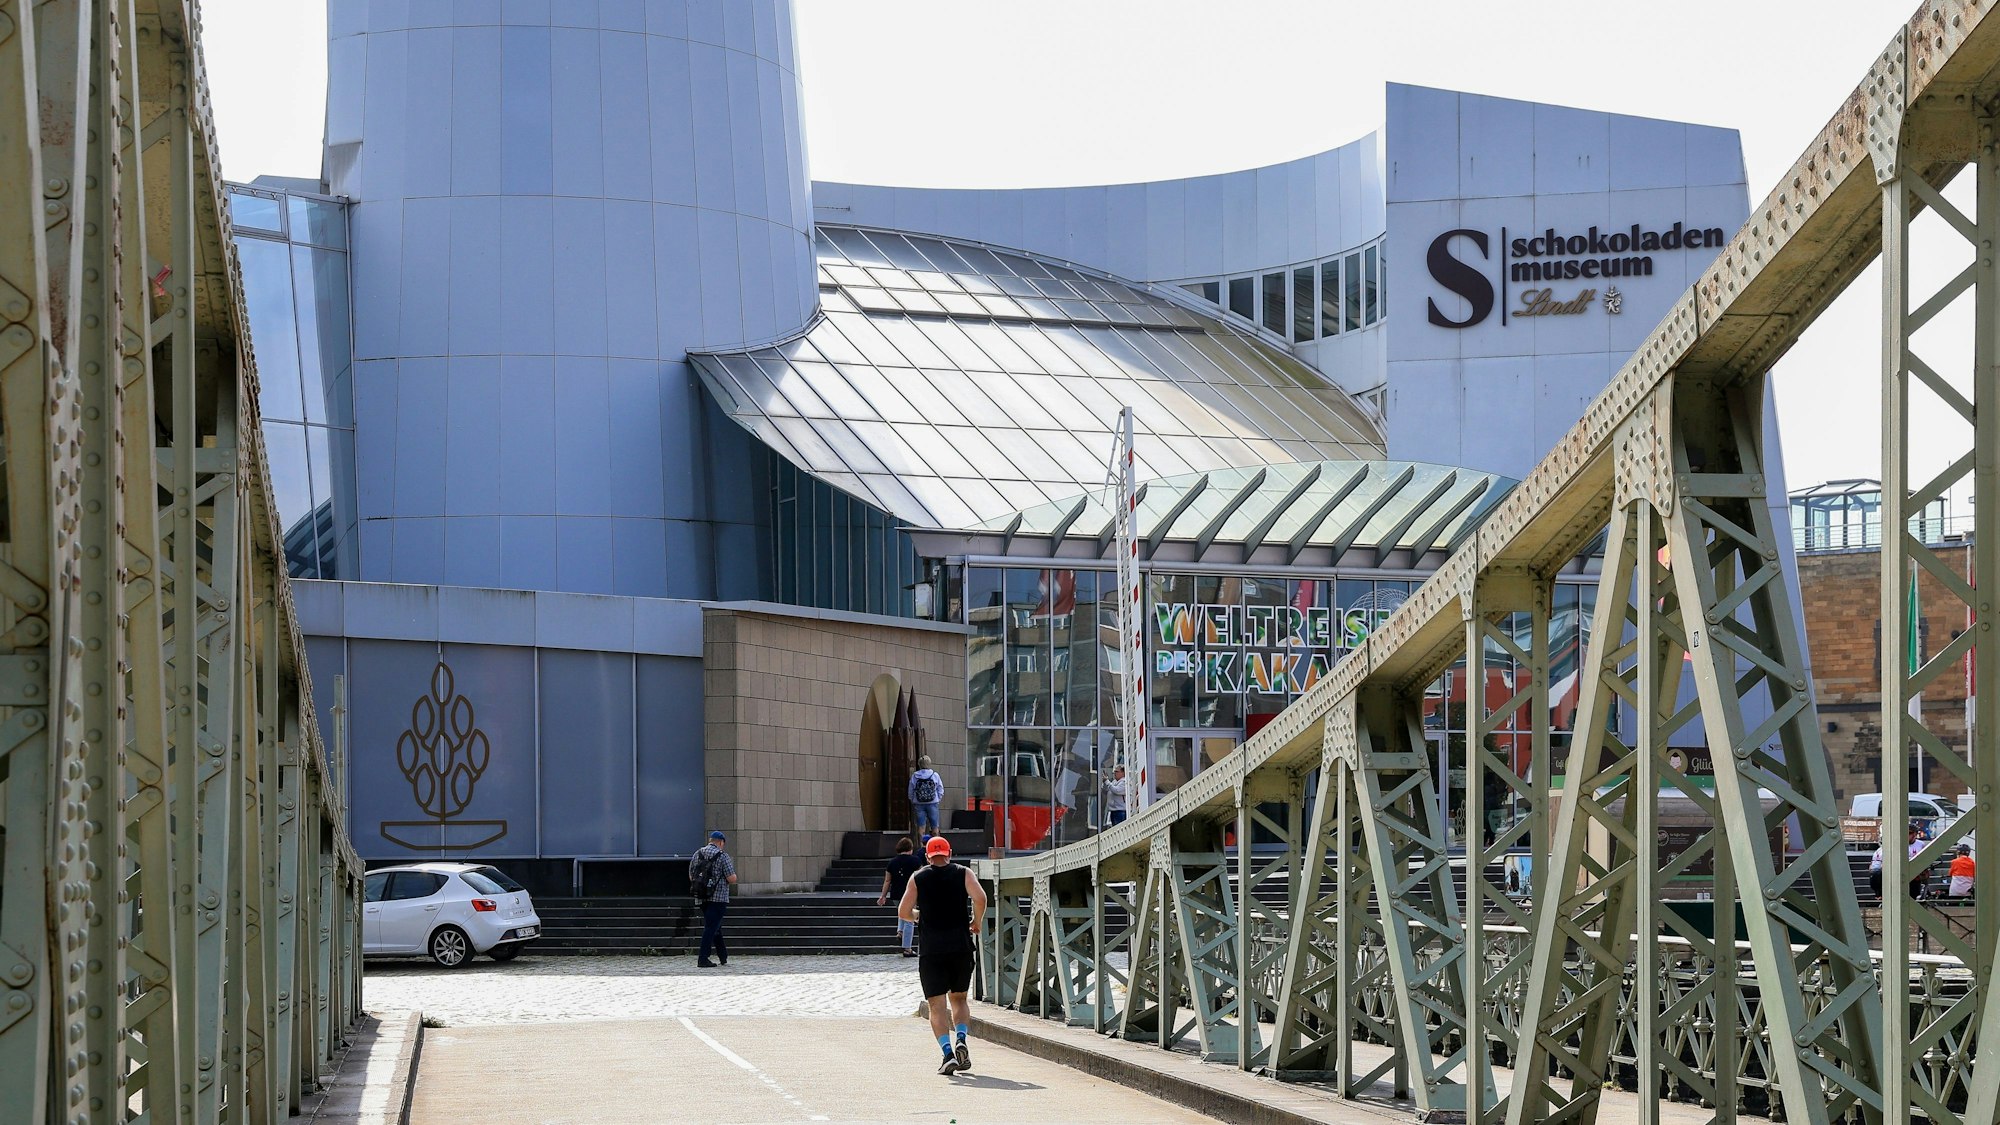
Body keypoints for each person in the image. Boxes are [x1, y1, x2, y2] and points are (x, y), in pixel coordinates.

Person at [898, 835, 988, 1076]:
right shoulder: (963, 873)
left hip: (931, 951)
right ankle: (961, 1038)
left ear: (927, 856)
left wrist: (919, 916)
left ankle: (948, 1054)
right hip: (960, 946)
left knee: (936, 1007)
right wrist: (975, 921)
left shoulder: (918, 877)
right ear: (949, 853)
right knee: (959, 999)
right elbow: (980, 898)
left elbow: (903, 911)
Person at [691, 830, 737, 968]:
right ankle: (703, 958)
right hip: (718, 898)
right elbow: (731, 878)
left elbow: (691, 876)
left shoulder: (697, 854)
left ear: (710, 840)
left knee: (715, 926)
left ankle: (723, 956)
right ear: (721, 842)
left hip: (701, 897)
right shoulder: (722, 856)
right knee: (711, 927)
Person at [877, 837, 923, 956]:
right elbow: (922, 877)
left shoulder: (892, 862)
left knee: (902, 911)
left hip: (896, 894)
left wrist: (883, 896)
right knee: (909, 919)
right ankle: (907, 948)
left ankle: (900, 931)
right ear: (910, 849)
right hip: (911, 893)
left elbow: (887, 881)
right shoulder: (915, 861)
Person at [909, 755, 944, 842]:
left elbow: (911, 790)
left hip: (919, 804)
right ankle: (935, 846)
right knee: (935, 826)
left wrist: (913, 800)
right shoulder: (935, 775)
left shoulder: (915, 776)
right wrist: (937, 799)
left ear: (919, 764)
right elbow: (940, 789)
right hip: (933, 803)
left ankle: (922, 846)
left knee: (921, 827)